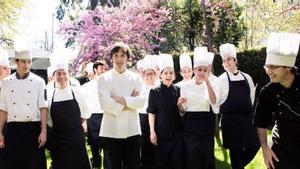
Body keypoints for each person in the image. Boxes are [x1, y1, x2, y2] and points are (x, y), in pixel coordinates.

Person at [253, 32, 300, 169]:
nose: (268, 71)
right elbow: (261, 123)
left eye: (274, 67)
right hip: (280, 148)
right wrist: (265, 148)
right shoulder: (268, 92)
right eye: (267, 66)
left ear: (289, 67)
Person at [97, 42, 144, 169]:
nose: (119, 59)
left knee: (133, 165)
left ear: (128, 58)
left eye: (122, 55)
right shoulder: (103, 79)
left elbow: (141, 101)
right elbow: (105, 104)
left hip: (132, 129)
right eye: (116, 55)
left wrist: (119, 99)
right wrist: (130, 101)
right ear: (111, 57)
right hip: (111, 130)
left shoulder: (136, 78)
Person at [214, 43, 260, 169]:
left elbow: (251, 98)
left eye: (229, 59)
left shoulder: (247, 77)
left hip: (247, 120)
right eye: (223, 61)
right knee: (236, 153)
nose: (226, 63)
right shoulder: (221, 80)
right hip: (231, 123)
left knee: (255, 145)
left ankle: (238, 166)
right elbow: (216, 103)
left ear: (235, 60)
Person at [0, 48, 47, 169]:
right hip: (12, 130)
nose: (27, 65)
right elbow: (3, 109)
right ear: (16, 61)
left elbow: (43, 107)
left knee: (34, 165)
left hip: (33, 129)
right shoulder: (6, 82)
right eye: (23, 61)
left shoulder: (39, 82)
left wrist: (44, 131)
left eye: (29, 61)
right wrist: (0, 132)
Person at [47, 55, 91, 169]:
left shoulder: (77, 92)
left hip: (76, 137)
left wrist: (75, 126)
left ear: (68, 75)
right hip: (58, 139)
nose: (62, 76)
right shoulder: (49, 94)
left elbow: (86, 113)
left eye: (64, 73)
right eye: (58, 74)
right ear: (53, 76)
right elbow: (48, 119)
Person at [178, 47, 216, 169]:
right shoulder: (185, 86)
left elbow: (213, 101)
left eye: (205, 70)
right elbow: (183, 110)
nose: (202, 72)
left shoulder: (210, 84)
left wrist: (208, 82)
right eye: (199, 69)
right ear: (194, 70)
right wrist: (180, 106)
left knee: (206, 155)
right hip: (190, 124)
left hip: (206, 123)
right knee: (192, 155)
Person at [147, 54, 183, 169]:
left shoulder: (179, 90)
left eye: (171, 73)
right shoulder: (154, 91)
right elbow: (151, 112)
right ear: (161, 75)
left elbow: (183, 112)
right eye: (165, 73)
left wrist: (180, 106)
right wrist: (152, 132)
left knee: (177, 162)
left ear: (174, 75)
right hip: (160, 134)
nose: (168, 75)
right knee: (162, 163)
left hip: (177, 133)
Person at [82, 60, 110, 169]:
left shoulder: (110, 85)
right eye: (101, 68)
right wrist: (84, 122)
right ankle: (97, 163)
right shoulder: (86, 87)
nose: (103, 71)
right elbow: (83, 105)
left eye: (105, 68)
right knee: (94, 145)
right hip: (92, 118)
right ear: (95, 70)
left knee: (108, 146)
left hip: (107, 116)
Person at [138, 55, 157, 169]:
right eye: (147, 74)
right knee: (144, 146)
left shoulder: (159, 87)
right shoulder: (139, 88)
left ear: (155, 75)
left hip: (157, 119)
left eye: (152, 73)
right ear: (143, 75)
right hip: (142, 120)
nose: (149, 76)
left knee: (156, 146)